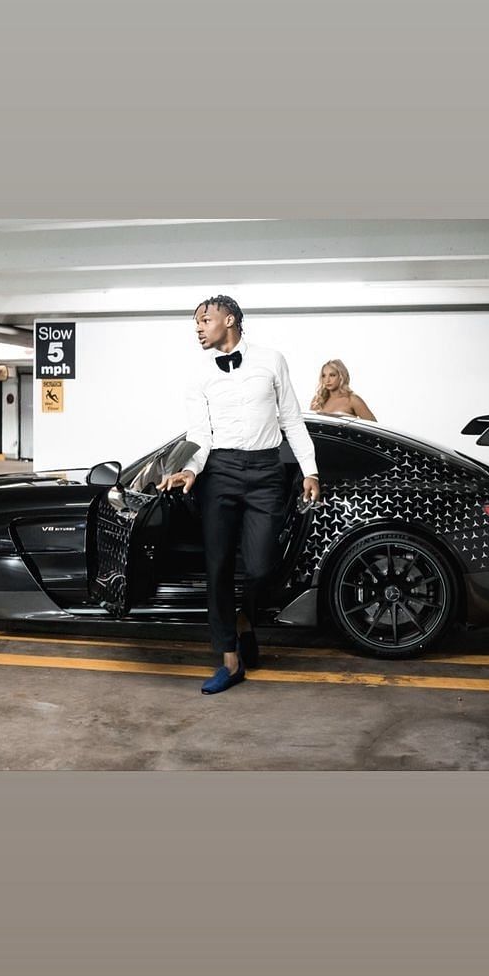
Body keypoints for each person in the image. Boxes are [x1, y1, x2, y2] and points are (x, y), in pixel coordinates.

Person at [158, 295, 321, 695]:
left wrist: (310, 470)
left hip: (267, 472)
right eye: (196, 322)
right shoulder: (199, 376)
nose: (198, 327)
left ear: (228, 320)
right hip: (221, 474)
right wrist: (189, 471)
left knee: (262, 565)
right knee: (217, 569)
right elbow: (200, 436)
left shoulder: (272, 360)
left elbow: (292, 420)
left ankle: (247, 618)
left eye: (204, 319)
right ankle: (229, 660)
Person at [310, 358, 376, 421]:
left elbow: (374, 428)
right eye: (324, 376)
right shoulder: (317, 400)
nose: (327, 380)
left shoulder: (352, 400)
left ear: (341, 376)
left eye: (332, 375)